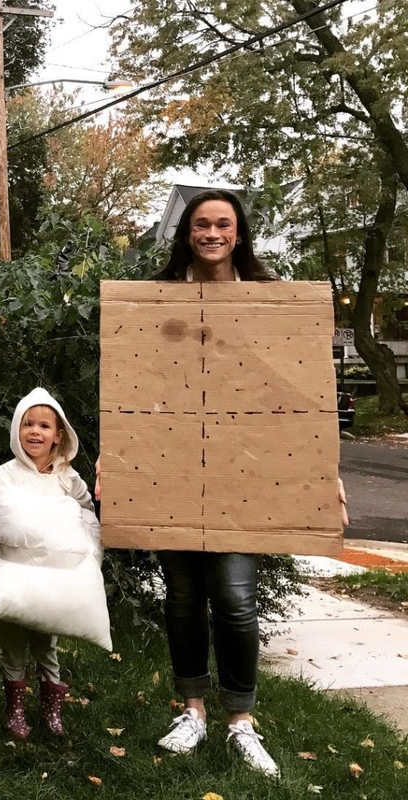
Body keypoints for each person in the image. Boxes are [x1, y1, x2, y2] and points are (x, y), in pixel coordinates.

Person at [97, 188, 348, 778]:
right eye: (202, 224)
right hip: (170, 468)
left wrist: (321, 476)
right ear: (188, 233)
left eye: (223, 225)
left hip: (244, 470)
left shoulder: (267, 304)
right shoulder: (156, 303)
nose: (212, 233)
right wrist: (117, 456)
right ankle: (192, 710)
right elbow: (134, 390)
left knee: (234, 599)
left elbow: (298, 401)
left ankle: (241, 720)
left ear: (239, 235)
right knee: (182, 598)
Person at [0, 387, 102, 740]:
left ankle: (51, 711)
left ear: (59, 435)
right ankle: (14, 710)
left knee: (47, 645)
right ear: (17, 429)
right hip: (11, 579)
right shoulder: (5, 475)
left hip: (54, 584)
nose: (35, 431)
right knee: (12, 645)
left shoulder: (68, 478)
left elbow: (87, 516)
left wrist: (88, 565)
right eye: (27, 423)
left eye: (44, 426)